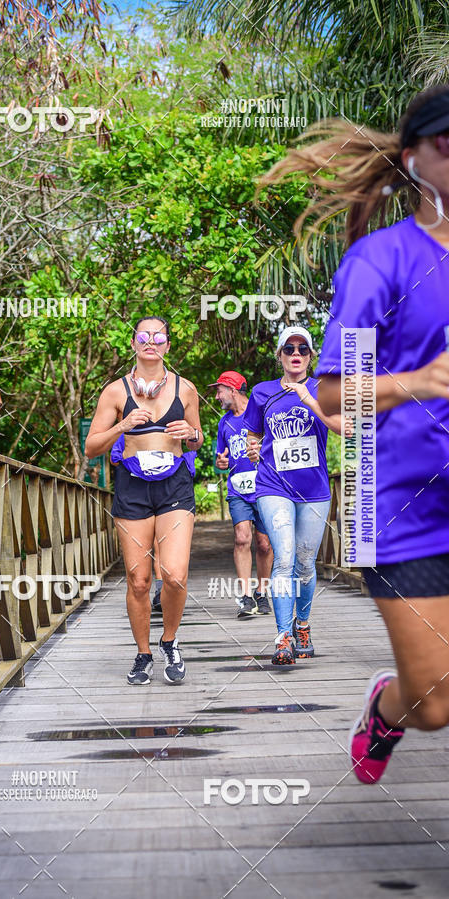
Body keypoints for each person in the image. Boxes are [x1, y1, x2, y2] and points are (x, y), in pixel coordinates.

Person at [258, 85, 449, 783]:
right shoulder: (381, 262)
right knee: (434, 703)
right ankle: (385, 709)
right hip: (400, 506)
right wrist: (419, 381)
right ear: (415, 161)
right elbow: (337, 392)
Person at [86, 316, 203, 685]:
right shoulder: (115, 392)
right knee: (138, 580)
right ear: (134, 343)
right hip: (132, 488)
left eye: (159, 336)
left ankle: (169, 641)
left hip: (175, 487)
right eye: (144, 335)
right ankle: (143, 653)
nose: (151, 341)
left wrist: (192, 432)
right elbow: (91, 447)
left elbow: (197, 440)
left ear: (167, 345)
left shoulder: (186, 389)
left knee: (174, 574)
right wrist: (122, 425)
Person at [244, 327, 346, 665]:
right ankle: (283, 636)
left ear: (311, 356)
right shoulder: (262, 392)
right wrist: (252, 448)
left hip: (314, 490)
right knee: (284, 558)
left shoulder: (323, 389)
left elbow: (342, 427)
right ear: (280, 355)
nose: (296, 352)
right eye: (289, 347)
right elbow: (254, 433)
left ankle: (303, 624)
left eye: (303, 347)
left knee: (304, 562)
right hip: (274, 486)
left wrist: (308, 399)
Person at [210, 370, 273, 618]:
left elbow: (275, 446)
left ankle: (263, 593)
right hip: (238, 489)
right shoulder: (224, 423)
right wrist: (221, 463)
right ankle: (246, 597)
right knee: (242, 538)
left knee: (264, 544)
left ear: (232, 389)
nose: (216, 397)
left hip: (266, 486)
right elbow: (221, 458)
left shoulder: (260, 413)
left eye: (219, 391)